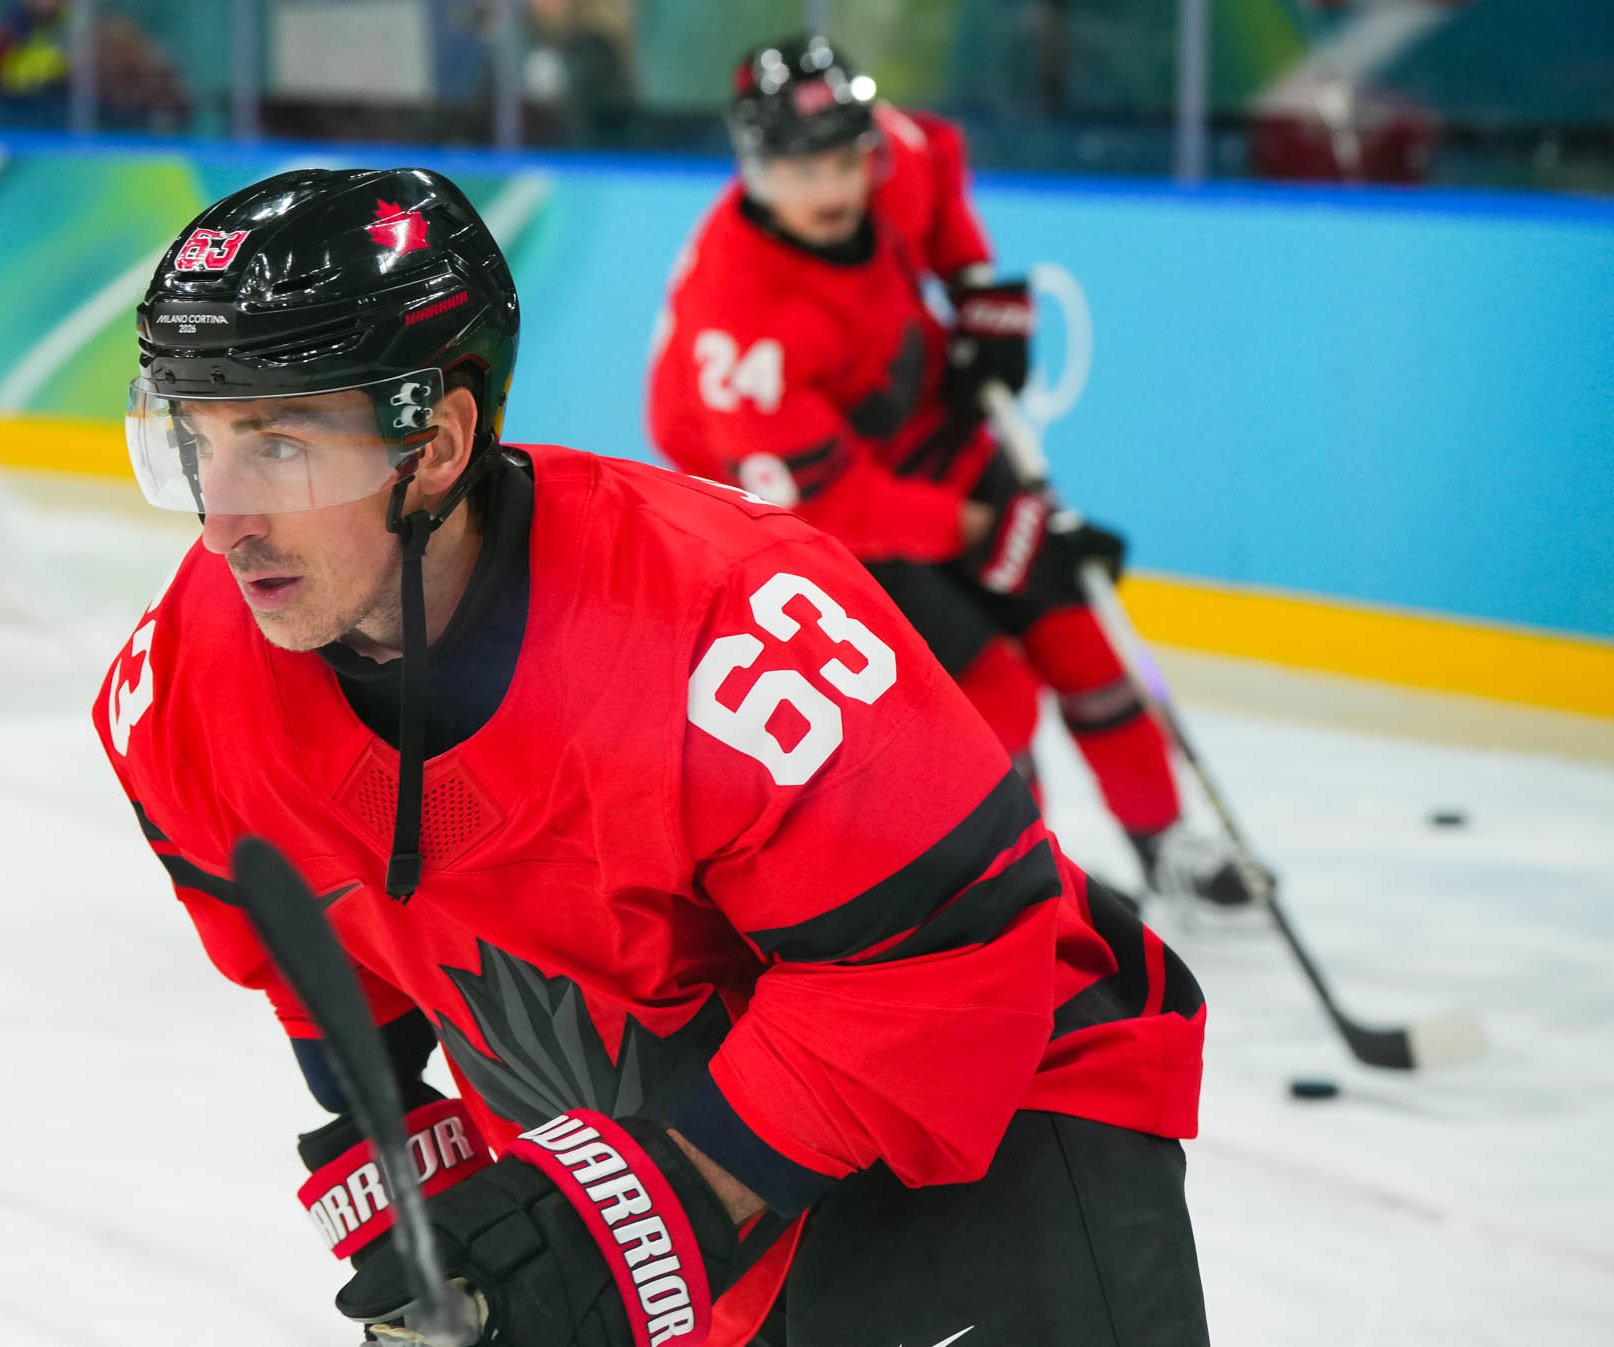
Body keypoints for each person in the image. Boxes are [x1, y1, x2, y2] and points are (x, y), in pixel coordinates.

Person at [94, 165, 1208, 1347]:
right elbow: (313, 964)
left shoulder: (731, 626)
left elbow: (950, 954)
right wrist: (420, 1206)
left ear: (437, 442)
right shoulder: (182, 692)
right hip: (689, 1196)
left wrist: (644, 1209)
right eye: (195, 443)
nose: (223, 521)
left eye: (277, 446)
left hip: (987, 1126)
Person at [646, 34, 1252, 909]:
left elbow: (936, 170)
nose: (832, 189)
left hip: (921, 425)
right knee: (988, 694)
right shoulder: (740, 319)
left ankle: (1165, 841)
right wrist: (980, 531)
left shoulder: (890, 156)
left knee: (1075, 627)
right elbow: (827, 505)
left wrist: (974, 291)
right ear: (753, 167)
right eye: (800, 169)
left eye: (844, 160)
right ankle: (1025, 891)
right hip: (806, 506)